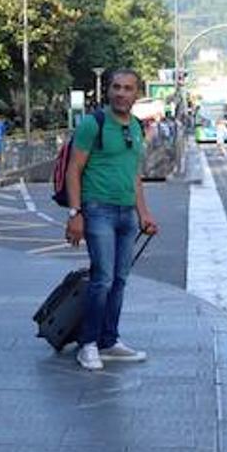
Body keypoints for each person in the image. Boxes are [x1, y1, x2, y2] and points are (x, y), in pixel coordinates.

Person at [64, 69, 159, 371]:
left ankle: (109, 340)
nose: (121, 93)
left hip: (126, 214)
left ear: (136, 93)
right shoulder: (93, 124)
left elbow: (135, 175)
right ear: (108, 91)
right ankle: (88, 344)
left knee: (120, 280)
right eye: (116, 87)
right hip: (98, 210)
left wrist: (143, 213)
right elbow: (73, 170)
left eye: (128, 88)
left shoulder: (135, 126)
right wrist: (75, 214)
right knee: (102, 279)